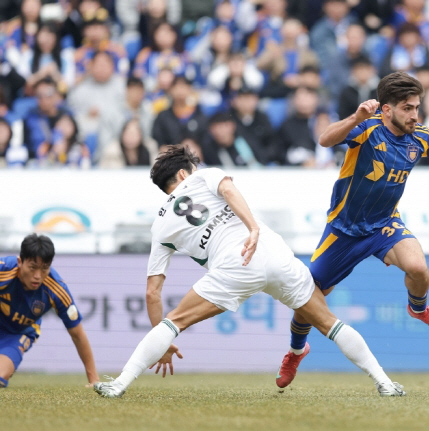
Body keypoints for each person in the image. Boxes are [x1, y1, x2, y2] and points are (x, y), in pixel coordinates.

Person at [93, 145, 406, 398]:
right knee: (329, 323)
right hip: (270, 250)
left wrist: (161, 340)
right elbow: (228, 190)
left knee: (173, 322)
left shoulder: (159, 226)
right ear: (183, 172)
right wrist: (253, 228)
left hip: (232, 269)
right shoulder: (206, 177)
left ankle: (119, 384)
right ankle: (385, 383)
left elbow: (152, 291)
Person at [274, 72, 429, 388]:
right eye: (407, 108)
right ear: (386, 109)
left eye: (416, 107)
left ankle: (419, 309)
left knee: (418, 267)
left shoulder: (421, 136)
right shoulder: (367, 129)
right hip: (343, 231)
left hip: (385, 224)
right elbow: (325, 139)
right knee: (309, 298)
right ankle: (295, 351)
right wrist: (356, 116)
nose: (414, 115)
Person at [0, 234, 99, 388]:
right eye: (32, 267)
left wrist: (94, 381)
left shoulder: (57, 290)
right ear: (20, 262)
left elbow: (78, 334)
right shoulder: (3, 270)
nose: (38, 276)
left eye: (44, 268)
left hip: (18, 334)